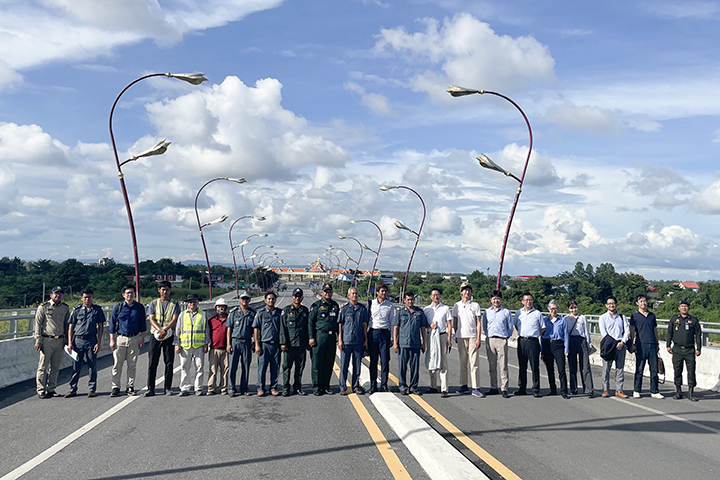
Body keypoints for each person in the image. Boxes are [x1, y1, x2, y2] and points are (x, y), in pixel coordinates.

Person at [66, 288, 105, 398]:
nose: (87, 299)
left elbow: (101, 326)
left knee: (92, 365)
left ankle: (92, 389)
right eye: (85, 297)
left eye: (89, 297)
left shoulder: (97, 310)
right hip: (78, 340)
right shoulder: (77, 310)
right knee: (76, 366)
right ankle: (72, 388)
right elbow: (71, 326)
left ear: (93, 298)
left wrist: (99, 342)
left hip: (91, 340)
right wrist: (70, 343)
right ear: (81, 298)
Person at [109, 286, 146, 397]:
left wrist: (142, 338)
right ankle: (115, 387)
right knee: (117, 364)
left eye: (131, 293)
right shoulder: (118, 307)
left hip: (134, 338)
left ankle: (130, 386)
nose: (129, 295)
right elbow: (112, 324)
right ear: (123, 295)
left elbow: (143, 325)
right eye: (127, 293)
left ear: (134, 294)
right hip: (120, 338)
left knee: (132, 364)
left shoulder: (139, 308)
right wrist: (112, 339)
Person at [34, 286, 70, 399]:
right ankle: (40, 389)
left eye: (60, 294)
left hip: (59, 340)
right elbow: (37, 324)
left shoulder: (64, 308)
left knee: (55, 367)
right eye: (56, 294)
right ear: (51, 295)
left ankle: (51, 388)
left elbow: (67, 324)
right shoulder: (44, 307)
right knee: (43, 366)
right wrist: (38, 340)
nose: (58, 296)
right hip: (46, 339)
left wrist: (67, 340)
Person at [145, 281, 179, 396]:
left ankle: (168, 387)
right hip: (155, 336)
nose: (165, 292)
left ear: (170, 290)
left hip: (169, 336)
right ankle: (150, 388)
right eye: (163, 289)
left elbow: (174, 319)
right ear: (159, 290)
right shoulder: (153, 303)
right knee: (152, 362)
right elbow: (151, 318)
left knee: (169, 362)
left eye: (167, 289)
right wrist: (159, 330)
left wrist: (165, 330)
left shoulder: (174, 303)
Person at [174, 294, 210, 396]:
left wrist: (206, 343)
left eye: (194, 302)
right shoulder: (182, 315)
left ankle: (198, 388)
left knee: (199, 367)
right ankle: (185, 388)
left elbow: (206, 330)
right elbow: (178, 330)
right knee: (185, 367)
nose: (192, 304)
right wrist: (177, 344)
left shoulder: (202, 314)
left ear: (197, 302)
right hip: (185, 346)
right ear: (187, 304)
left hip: (199, 345)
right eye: (190, 302)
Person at [452, 282, 483, 397]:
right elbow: (454, 321)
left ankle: (475, 387)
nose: (467, 292)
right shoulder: (457, 305)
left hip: (472, 336)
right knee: (463, 362)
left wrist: (478, 338)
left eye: (469, 290)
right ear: (461, 292)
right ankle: (463, 385)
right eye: (465, 290)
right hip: (461, 336)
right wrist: (456, 334)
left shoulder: (475, 305)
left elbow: (478, 322)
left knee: (474, 362)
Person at [667, 300, 702, 401]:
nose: (684, 308)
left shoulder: (693, 320)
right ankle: (678, 391)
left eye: (685, 306)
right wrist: (668, 345)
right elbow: (670, 333)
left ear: (689, 308)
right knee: (677, 371)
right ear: (679, 308)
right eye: (682, 306)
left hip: (689, 350)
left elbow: (698, 335)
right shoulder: (674, 319)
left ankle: (691, 393)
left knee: (691, 372)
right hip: (677, 349)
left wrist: (698, 348)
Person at [393, 291, 428, 395]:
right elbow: (396, 328)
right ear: (404, 300)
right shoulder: (400, 312)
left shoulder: (419, 312)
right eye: (408, 299)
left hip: (415, 343)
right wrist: (395, 342)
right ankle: (403, 386)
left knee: (415, 367)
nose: (410, 301)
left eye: (412, 299)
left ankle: (413, 387)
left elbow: (423, 328)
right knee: (402, 367)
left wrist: (424, 343)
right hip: (403, 343)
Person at [309, 283, 340, 396]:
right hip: (319, 337)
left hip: (331, 338)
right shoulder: (316, 306)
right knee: (317, 363)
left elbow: (338, 323)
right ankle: (317, 387)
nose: (328, 293)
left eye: (329, 291)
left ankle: (326, 386)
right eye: (325, 291)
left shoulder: (335, 306)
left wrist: (339, 338)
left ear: (332, 292)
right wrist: (311, 337)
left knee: (328, 363)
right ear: (321, 293)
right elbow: (310, 323)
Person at [630, 294, 664, 399]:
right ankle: (636, 390)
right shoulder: (634, 316)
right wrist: (631, 344)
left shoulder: (652, 315)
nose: (643, 303)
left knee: (654, 369)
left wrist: (657, 343)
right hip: (641, 344)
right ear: (637, 303)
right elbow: (632, 330)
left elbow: (655, 330)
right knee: (639, 368)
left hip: (652, 344)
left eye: (644, 301)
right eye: (641, 301)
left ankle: (654, 390)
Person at [337, 287, 369, 395]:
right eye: (353, 293)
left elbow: (365, 325)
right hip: (346, 341)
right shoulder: (344, 309)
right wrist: (340, 340)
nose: (355, 295)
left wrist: (365, 340)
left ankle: (356, 386)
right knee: (344, 365)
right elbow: (340, 325)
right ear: (348, 296)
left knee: (357, 365)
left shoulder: (362, 309)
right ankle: (342, 387)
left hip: (358, 341)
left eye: (356, 293)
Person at [513, 292, 545, 398]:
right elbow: (516, 325)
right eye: (526, 300)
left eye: (530, 300)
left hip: (533, 341)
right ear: (522, 301)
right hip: (522, 340)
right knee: (522, 366)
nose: (528, 302)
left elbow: (542, 328)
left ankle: (536, 389)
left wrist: (533, 335)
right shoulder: (519, 313)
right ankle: (522, 388)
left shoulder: (537, 314)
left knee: (534, 366)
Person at [280, 288, 310, 396]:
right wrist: (283, 343)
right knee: (287, 367)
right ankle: (285, 388)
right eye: (295, 296)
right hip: (289, 345)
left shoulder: (305, 311)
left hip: (301, 345)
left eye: (299, 296)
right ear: (292, 297)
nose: (297, 298)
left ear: (302, 298)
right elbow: (283, 328)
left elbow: (308, 327)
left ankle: (297, 387)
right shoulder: (286, 310)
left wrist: (308, 341)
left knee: (300, 367)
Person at [482, 289, 512, 398]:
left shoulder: (506, 312)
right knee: (492, 365)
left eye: (498, 298)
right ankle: (493, 387)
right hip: (490, 340)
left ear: (501, 299)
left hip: (502, 340)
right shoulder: (487, 312)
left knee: (503, 365)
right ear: (491, 300)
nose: (496, 300)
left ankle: (504, 388)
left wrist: (505, 337)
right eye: (494, 298)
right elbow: (485, 326)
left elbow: (510, 327)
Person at [599, 296, 629, 398]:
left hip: (621, 345)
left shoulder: (622, 317)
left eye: (613, 303)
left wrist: (622, 342)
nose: (611, 305)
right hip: (609, 345)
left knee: (620, 368)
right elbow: (604, 333)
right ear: (606, 305)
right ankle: (605, 389)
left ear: (616, 304)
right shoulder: (603, 317)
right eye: (609, 303)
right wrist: (613, 343)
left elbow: (627, 331)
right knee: (606, 368)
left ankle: (619, 389)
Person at [423, 288, 452, 397]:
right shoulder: (426, 309)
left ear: (440, 296)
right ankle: (433, 386)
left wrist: (449, 339)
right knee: (431, 360)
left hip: (442, 336)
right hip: (430, 336)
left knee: (443, 362)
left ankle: (444, 388)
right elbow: (423, 325)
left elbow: (449, 324)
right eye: (434, 295)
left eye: (438, 294)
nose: (436, 296)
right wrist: (429, 325)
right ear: (430, 297)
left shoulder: (445, 308)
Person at [226, 291, 256, 397]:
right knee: (232, 367)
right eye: (243, 299)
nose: (244, 301)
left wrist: (254, 343)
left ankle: (244, 388)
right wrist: (228, 344)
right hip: (235, 342)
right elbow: (229, 329)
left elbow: (255, 330)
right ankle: (231, 388)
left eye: (247, 299)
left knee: (246, 367)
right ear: (239, 300)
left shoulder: (253, 313)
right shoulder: (234, 312)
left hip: (247, 343)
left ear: (250, 300)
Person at [254, 291, 282, 396]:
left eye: (273, 299)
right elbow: (256, 329)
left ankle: (273, 388)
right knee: (262, 368)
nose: (271, 300)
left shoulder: (279, 313)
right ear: (265, 300)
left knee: (275, 368)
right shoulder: (260, 313)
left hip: (276, 344)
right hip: (264, 344)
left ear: (275, 300)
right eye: (269, 299)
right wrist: (257, 344)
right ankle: (261, 388)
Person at [368, 281, 394, 394]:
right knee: (373, 361)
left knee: (385, 360)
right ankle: (373, 384)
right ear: (377, 292)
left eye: (385, 291)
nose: (384, 293)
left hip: (384, 333)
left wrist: (392, 338)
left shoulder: (390, 305)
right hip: (373, 333)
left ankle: (384, 384)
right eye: (382, 291)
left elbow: (392, 323)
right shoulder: (370, 304)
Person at [541, 300, 570, 399]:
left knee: (561, 369)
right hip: (547, 344)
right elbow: (542, 335)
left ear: (558, 309)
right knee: (550, 369)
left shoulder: (562, 321)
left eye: (555, 308)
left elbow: (566, 335)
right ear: (549, 309)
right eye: (552, 309)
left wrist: (566, 349)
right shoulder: (545, 320)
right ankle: (552, 389)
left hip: (558, 344)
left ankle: (564, 391)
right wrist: (542, 349)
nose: (554, 310)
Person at [565, 300, 594, 398]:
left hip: (581, 341)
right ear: (568, 309)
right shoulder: (565, 319)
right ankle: (573, 388)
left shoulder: (582, 318)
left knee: (585, 366)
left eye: (575, 307)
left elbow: (586, 332)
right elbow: (565, 333)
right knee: (572, 366)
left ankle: (589, 389)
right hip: (571, 341)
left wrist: (589, 344)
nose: (574, 309)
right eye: (571, 308)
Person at [207, 298, 230, 395]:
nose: (220, 308)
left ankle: (224, 387)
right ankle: (211, 388)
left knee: (225, 369)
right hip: (214, 349)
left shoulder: (229, 319)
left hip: (226, 349)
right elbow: (208, 333)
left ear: (225, 308)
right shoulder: (211, 320)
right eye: (218, 307)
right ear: (216, 308)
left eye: (222, 306)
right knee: (213, 370)